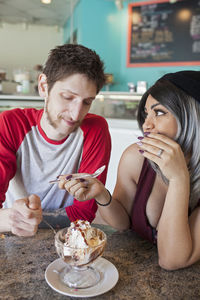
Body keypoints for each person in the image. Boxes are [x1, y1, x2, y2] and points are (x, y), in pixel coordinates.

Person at [59, 70, 200, 270]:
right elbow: (121, 223)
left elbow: (171, 260)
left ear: (193, 118)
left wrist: (179, 179)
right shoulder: (136, 158)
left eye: (159, 112)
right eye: (146, 113)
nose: (146, 124)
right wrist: (101, 193)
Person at [0, 44, 111, 237]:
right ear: (43, 86)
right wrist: (12, 219)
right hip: (13, 234)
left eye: (87, 102)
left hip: (67, 239)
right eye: (68, 97)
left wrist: (34, 218)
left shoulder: (95, 130)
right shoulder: (10, 125)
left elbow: (84, 213)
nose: (76, 114)